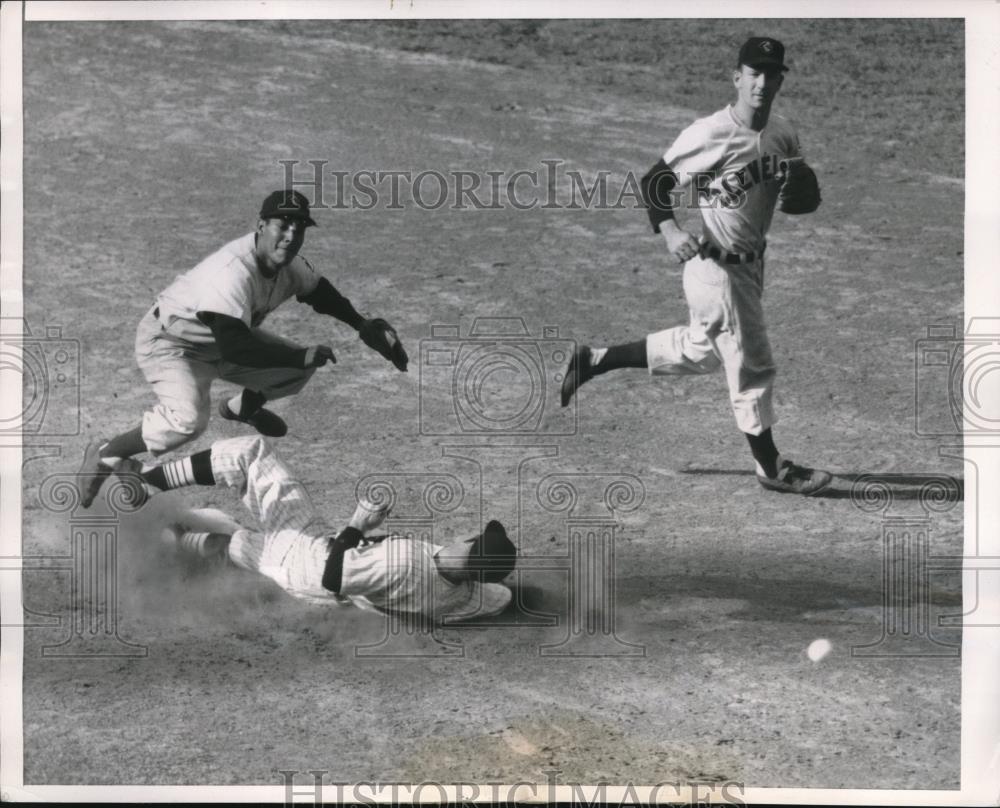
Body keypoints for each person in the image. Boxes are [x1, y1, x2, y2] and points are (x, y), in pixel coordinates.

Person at [560, 37, 831, 496]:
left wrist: (803, 191)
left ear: (782, 78)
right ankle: (772, 467)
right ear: (737, 78)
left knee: (699, 350)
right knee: (752, 366)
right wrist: (670, 231)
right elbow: (655, 182)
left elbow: (797, 200)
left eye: (771, 74)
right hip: (716, 270)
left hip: (748, 270)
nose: (761, 82)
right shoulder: (711, 133)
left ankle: (595, 360)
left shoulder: (783, 134)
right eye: (753, 73)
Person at [77, 189, 409, 508]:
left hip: (222, 340)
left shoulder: (288, 266)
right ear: (261, 226)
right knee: (188, 422)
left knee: (301, 367)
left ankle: (242, 408)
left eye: (299, 228)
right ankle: (107, 452)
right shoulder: (232, 273)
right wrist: (298, 354)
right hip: (171, 344)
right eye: (282, 226)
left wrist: (361, 324)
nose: (291, 236)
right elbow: (237, 348)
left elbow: (319, 291)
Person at [117, 435, 516, 621]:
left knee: (250, 454)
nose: (469, 533)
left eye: (476, 537)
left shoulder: (404, 564)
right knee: (234, 543)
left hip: (310, 559)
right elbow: (500, 597)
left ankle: (149, 482)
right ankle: (176, 541)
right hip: (306, 576)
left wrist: (357, 524)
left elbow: (334, 576)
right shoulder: (466, 596)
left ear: (469, 548)